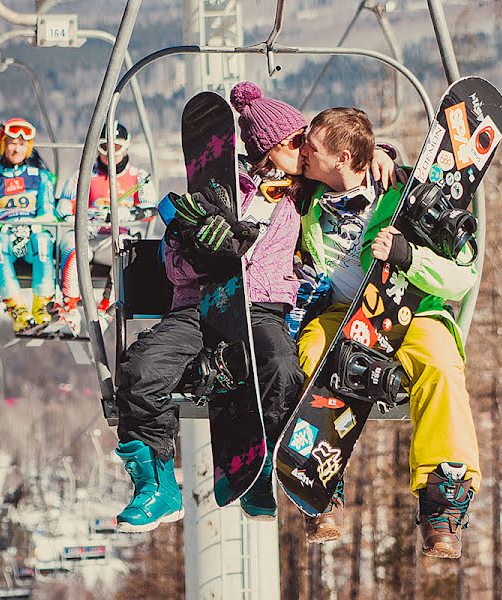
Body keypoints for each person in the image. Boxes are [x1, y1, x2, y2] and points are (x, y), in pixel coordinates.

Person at [111, 82, 396, 533]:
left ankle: (288, 469)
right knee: (141, 369)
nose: (305, 152)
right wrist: (198, 250)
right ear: (270, 149)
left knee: (283, 367)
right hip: (201, 308)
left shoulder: (301, 195)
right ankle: (157, 485)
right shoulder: (216, 193)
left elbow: (348, 163)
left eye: (307, 143)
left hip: (262, 307)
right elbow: (174, 267)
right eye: (296, 143)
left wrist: (380, 151)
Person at [295, 107, 480, 556]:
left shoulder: (405, 196)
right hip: (345, 313)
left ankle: (442, 503)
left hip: (412, 310)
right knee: (313, 351)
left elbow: (464, 274)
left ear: (341, 157)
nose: (303, 152)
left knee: (439, 366)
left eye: (311, 147)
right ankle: (322, 479)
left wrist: (408, 257)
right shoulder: (305, 197)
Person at [54, 122, 158, 331]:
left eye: (116, 148)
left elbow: (149, 210)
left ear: (126, 147)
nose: (110, 154)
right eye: (104, 148)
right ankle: (70, 305)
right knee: (69, 244)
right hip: (89, 236)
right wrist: (83, 218)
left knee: (124, 248)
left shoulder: (138, 177)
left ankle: (106, 308)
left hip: (114, 239)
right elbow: (63, 207)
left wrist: (122, 215)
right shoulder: (84, 176)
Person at [0, 117, 57, 333]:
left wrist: (33, 226)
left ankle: (42, 305)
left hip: (31, 236)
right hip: (4, 237)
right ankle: (17, 309)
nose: (16, 149)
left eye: (21, 144)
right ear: (2, 145)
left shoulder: (40, 177)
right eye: (12, 143)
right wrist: (3, 228)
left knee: (43, 241)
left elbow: (47, 212)